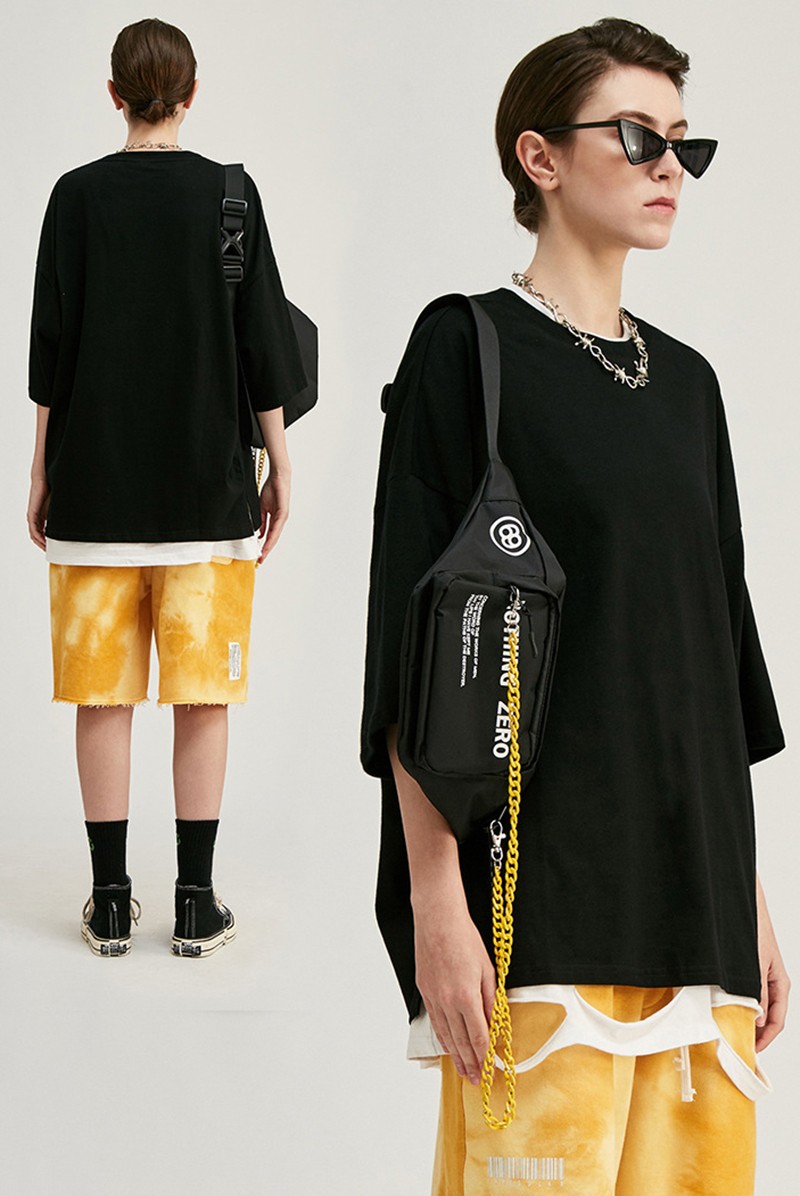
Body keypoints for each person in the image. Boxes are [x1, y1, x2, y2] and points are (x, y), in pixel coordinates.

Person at [360, 17, 789, 1194]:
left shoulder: (689, 385)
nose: (668, 167)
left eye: (684, 145)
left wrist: (748, 899)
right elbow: (411, 653)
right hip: (535, 897)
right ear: (538, 156)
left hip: (696, 905)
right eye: (638, 136)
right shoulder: (466, 349)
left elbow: (710, 657)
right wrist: (434, 901)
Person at [26, 18, 307, 959]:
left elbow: (50, 348)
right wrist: (279, 465)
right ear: (190, 95)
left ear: (114, 95)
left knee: (101, 700)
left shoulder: (74, 197)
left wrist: (40, 470)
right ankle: (195, 903)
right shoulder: (230, 196)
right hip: (206, 496)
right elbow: (262, 342)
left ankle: (109, 903)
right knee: (202, 699)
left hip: (94, 492)